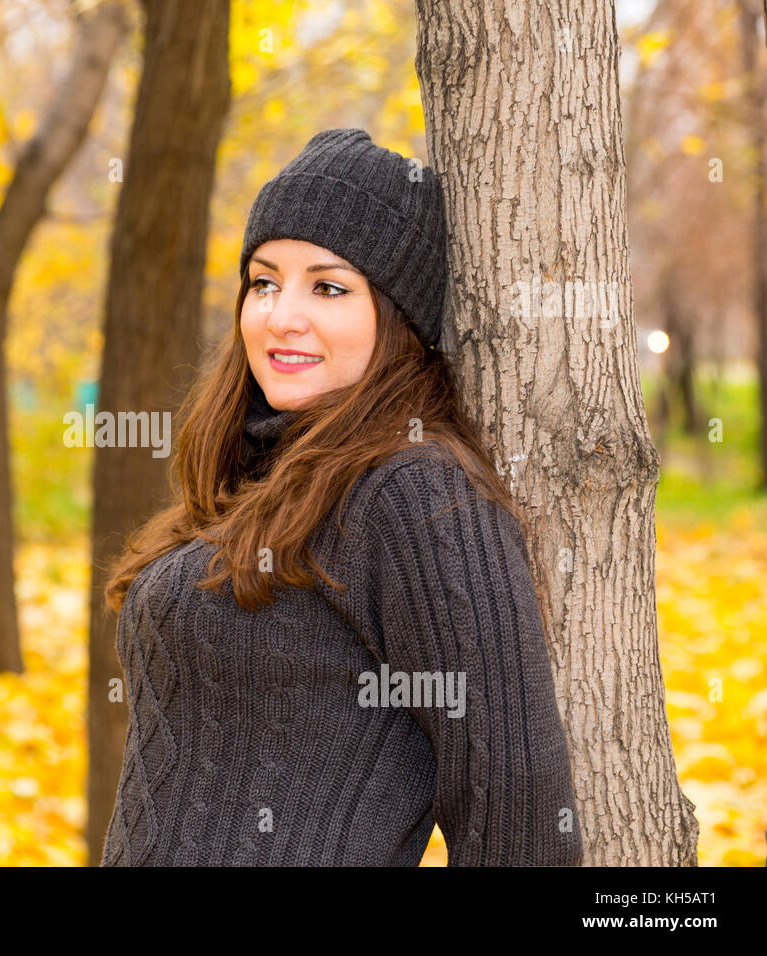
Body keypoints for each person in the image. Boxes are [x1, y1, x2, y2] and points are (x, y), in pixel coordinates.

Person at [99, 128, 582, 866]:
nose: (280, 314)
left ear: (399, 320)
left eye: (328, 286)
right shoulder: (251, 477)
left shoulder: (414, 493)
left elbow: (519, 813)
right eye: (264, 281)